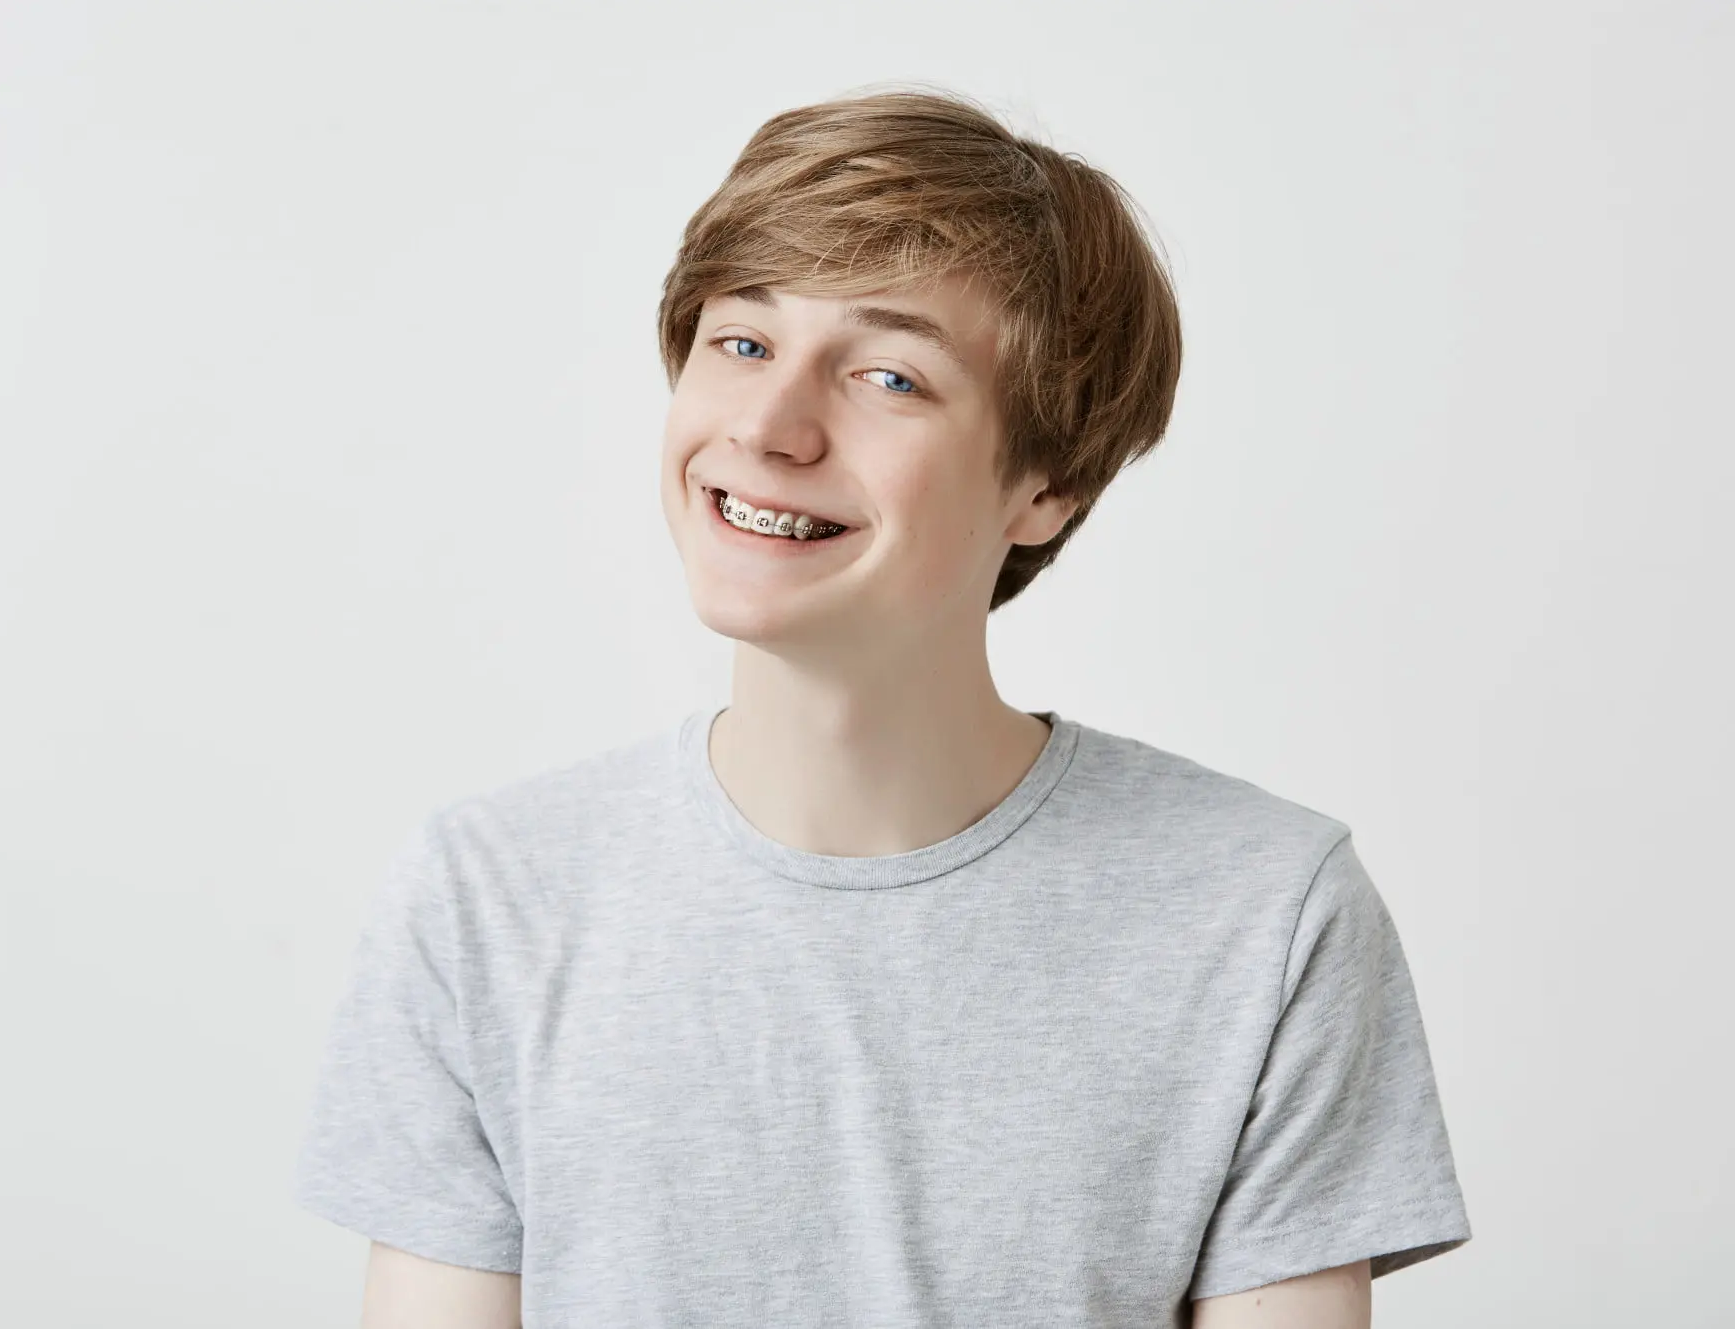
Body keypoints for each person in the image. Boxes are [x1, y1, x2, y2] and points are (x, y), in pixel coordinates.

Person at [292, 85, 1471, 1329]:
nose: (766, 426)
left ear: (1048, 486)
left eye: (887, 376)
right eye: (739, 342)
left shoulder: (1263, 916)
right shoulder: (488, 898)